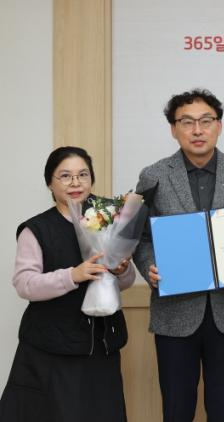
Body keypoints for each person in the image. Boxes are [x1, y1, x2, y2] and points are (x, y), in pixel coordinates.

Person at [132, 89, 224, 422]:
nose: (197, 130)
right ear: (173, 129)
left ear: (219, 125)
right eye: (187, 122)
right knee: (177, 409)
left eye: (206, 121)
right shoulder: (153, 175)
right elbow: (141, 237)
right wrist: (149, 267)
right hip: (175, 312)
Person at [0, 146, 133, 422]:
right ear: (50, 182)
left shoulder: (108, 219)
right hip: (53, 348)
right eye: (65, 176)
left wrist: (121, 271)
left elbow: (125, 281)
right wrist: (72, 275)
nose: (75, 183)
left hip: (101, 345)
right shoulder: (36, 229)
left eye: (83, 175)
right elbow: (24, 284)